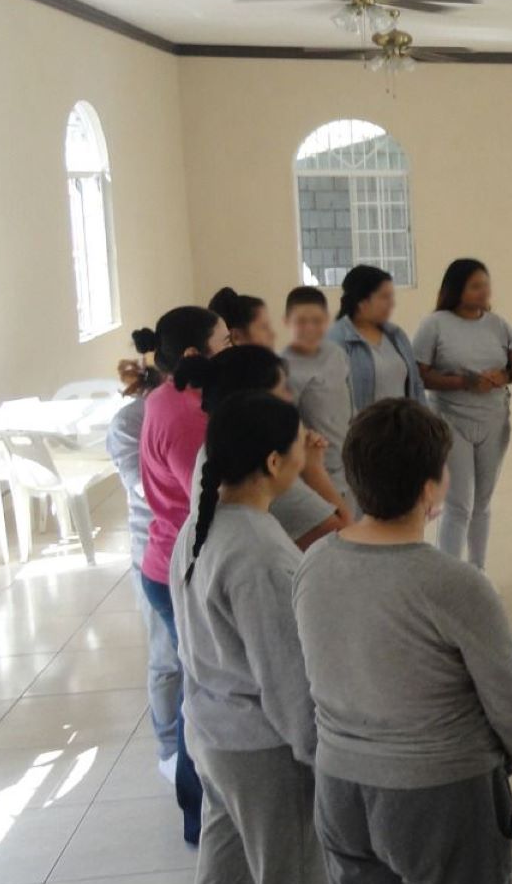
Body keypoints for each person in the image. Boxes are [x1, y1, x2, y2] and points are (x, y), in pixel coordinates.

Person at [295, 398, 512, 884]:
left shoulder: (315, 566)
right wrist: (496, 763)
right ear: (433, 488)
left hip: (342, 787)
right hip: (440, 794)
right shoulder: (451, 583)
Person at [171, 391, 328, 884]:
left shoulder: (202, 524)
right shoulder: (261, 551)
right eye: (301, 443)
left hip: (210, 728)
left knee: (226, 863)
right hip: (259, 744)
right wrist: (319, 758)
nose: (309, 449)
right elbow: (286, 679)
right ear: (272, 461)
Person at [138, 303, 229, 844]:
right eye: (224, 338)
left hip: (170, 557)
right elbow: (208, 498)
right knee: (205, 695)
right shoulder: (188, 415)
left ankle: (204, 810)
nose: (232, 343)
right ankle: (200, 815)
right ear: (197, 353)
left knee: (203, 688)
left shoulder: (166, 394)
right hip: (182, 564)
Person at [182, 345, 348, 548]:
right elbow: (348, 543)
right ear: (257, 403)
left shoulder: (217, 447)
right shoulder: (261, 473)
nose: (290, 399)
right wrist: (313, 469)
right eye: (283, 390)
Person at [414, 258, 512, 567]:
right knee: (459, 503)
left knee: (482, 503)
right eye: (475, 286)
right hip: (451, 420)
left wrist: (501, 377)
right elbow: (420, 374)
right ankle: (450, 573)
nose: (484, 291)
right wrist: (463, 382)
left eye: (485, 284)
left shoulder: (498, 324)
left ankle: (478, 571)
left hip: (493, 420)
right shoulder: (435, 324)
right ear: (456, 289)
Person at [107, 340, 175, 776]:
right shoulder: (130, 421)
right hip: (153, 548)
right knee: (166, 653)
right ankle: (169, 747)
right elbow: (142, 486)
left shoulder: (197, 407)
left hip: (191, 541)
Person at [282, 287, 354, 509]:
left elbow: (350, 408)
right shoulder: (281, 368)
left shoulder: (337, 354)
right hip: (313, 478)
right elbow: (287, 430)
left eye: (317, 320)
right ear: (287, 321)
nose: (310, 328)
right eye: (301, 321)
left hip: (348, 470)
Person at [328, 264, 425, 411]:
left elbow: (416, 385)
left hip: (404, 428)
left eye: (391, 297)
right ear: (362, 302)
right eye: (384, 297)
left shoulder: (397, 336)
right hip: (362, 430)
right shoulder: (337, 339)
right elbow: (334, 397)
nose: (392, 303)